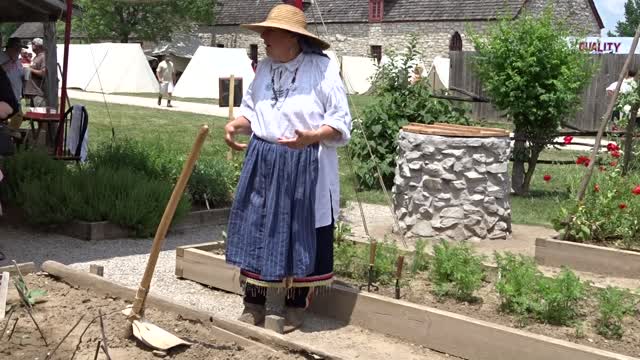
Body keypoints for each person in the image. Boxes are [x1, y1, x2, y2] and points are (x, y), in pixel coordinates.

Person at [223, 4, 352, 332]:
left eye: (271, 32)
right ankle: (253, 303)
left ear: (292, 38)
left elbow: (340, 122)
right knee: (255, 226)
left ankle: (295, 304)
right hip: (263, 161)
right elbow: (253, 109)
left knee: (298, 230)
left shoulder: (322, 70)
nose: (264, 37)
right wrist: (237, 124)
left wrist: (313, 136)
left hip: (304, 163)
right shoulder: (265, 67)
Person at [2, 38, 26, 129]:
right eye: (18, 48)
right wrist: (12, 60)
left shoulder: (18, 60)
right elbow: (1, 71)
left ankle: (9, 136)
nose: (20, 51)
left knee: (17, 117)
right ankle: (9, 135)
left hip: (15, 95)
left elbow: (19, 74)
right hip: (4, 96)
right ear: (10, 48)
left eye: (20, 48)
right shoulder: (2, 57)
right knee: (17, 115)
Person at [24, 38, 47, 107]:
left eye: (32, 44)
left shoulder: (44, 57)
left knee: (39, 115)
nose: (31, 46)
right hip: (32, 93)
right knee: (32, 116)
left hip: (38, 93)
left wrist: (30, 69)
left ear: (38, 45)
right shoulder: (36, 57)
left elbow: (44, 73)